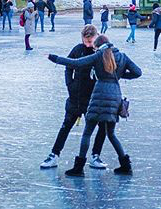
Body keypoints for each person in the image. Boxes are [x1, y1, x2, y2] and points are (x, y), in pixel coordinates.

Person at [48, 34, 142, 176]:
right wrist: (118, 75)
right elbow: (137, 72)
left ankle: (78, 168)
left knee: (87, 132)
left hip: (98, 97)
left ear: (98, 46)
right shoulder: (122, 57)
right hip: (115, 97)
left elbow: (76, 63)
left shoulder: (98, 56)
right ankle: (125, 165)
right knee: (111, 134)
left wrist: (53, 58)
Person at [40, 24, 108, 170]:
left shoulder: (101, 53)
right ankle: (54, 154)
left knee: (103, 126)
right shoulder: (78, 49)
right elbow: (69, 66)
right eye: (85, 41)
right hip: (76, 96)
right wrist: (69, 84)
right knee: (66, 126)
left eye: (90, 41)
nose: (88, 44)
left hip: (94, 98)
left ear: (96, 37)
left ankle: (95, 155)